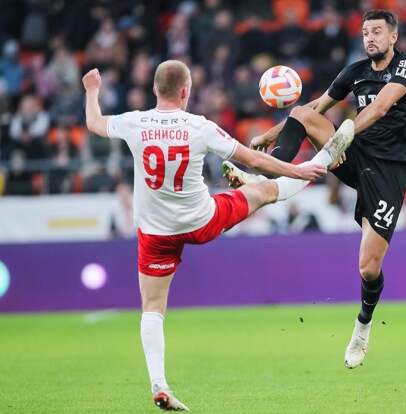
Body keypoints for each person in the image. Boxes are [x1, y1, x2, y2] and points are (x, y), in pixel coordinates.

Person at [82, 60, 354, 411]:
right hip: (202, 221)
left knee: (152, 309)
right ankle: (321, 160)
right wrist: (295, 169)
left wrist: (92, 90)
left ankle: (159, 384)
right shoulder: (199, 126)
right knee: (263, 191)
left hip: (155, 232)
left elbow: (94, 123)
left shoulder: (134, 121)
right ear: (186, 92)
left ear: (154, 89)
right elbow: (254, 159)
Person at [224, 9, 406, 369]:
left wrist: (346, 132)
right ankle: (265, 176)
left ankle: (362, 328)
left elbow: (381, 107)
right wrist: (271, 134)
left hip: (389, 171)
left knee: (368, 268)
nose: (370, 38)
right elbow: (315, 108)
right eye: (366, 33)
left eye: (377, 32)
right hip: (354, 154)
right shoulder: (354, 72)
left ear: (393, 36)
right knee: (302, 113)